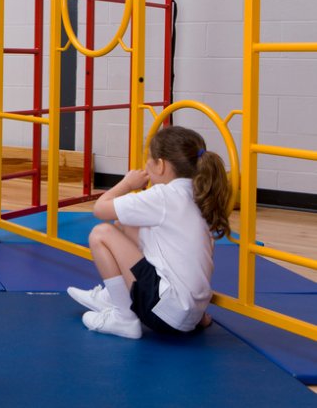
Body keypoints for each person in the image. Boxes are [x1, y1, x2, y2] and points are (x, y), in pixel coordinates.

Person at [67, 125, 232, 339]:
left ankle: (123, 317)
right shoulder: (198, 194)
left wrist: (127, 183)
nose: (145, 165)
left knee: (101, 234)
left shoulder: (163, 195)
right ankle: (113, 296)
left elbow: (100, 209)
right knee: (126, 226)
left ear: (160, 165)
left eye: (149, 159)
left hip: (164, 314)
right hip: (190, 314)